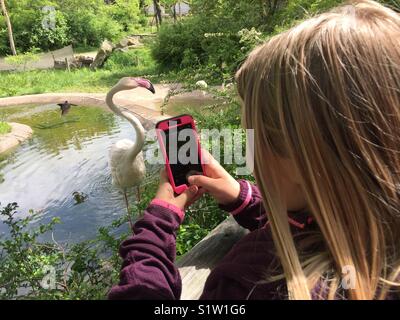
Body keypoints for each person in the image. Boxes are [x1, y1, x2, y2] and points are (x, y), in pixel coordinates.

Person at [108, 0, 400, 300]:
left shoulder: (251, 281)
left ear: (304, 160)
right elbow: (315, 223)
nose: (250, 151)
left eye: (253, 137)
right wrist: (241, 196)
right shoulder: (376, 239)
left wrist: (156, 227)